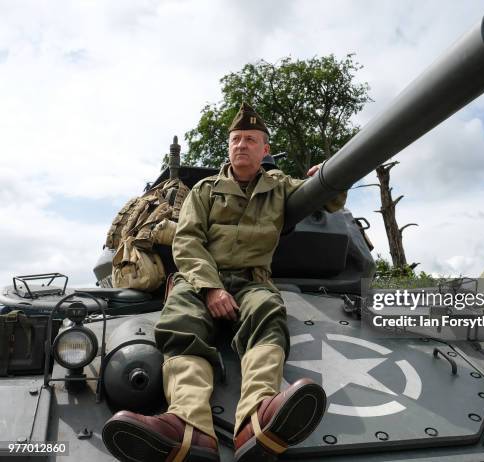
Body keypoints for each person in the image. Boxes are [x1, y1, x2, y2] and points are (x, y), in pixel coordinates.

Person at [102, 102, 346, 462]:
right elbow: (187, 240)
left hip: (252, 281)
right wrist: (210, 287)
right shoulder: (204, 190)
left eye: (250, 139)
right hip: (200, 279)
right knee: (180, 322)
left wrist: (332, 177)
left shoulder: (279, 187)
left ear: (265, 149)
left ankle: (256, 420)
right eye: (235, 139)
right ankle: (190, 426)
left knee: (267, 313)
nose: (241, 145)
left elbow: (326, 201)